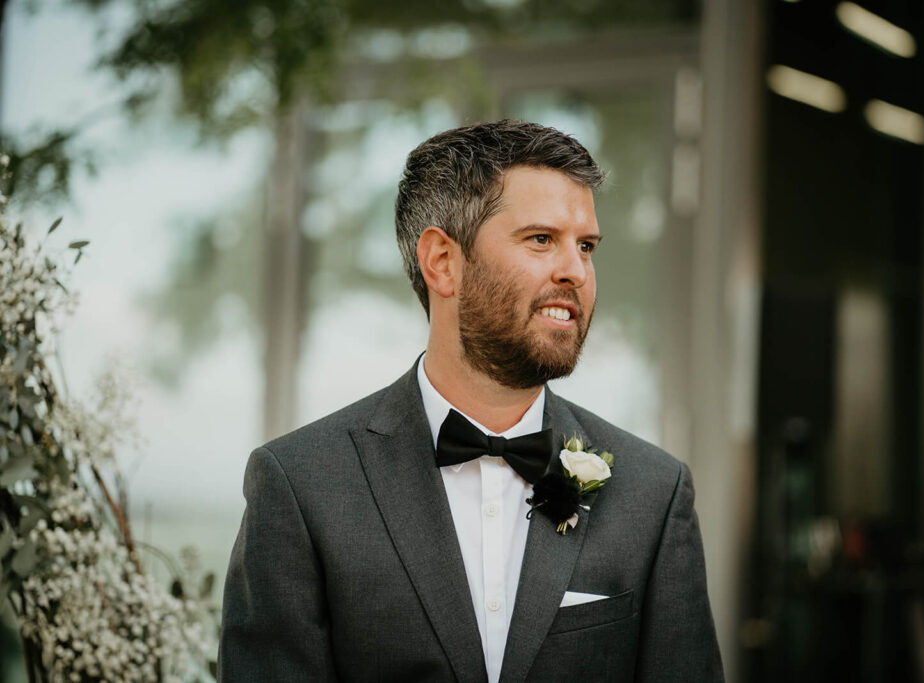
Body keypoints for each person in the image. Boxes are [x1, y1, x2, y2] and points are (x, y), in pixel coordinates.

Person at [218, 120, 723, 682]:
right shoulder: (300, 485)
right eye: (541, 239)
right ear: (442, 261)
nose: (575, 271)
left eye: (586, 247)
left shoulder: (653, 493)